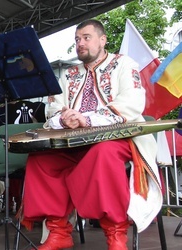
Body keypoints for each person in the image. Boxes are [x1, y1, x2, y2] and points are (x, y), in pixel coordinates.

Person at [20, 19, 162, 250]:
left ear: (103, 40)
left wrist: (87, 119)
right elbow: (53, 109)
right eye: (77, 39)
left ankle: (115, 235)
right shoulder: (68, 74)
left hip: (119, 138)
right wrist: (64, 119)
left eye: (86, 37)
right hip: (73, 142)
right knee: (41, 158)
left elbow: (133, 103)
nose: (80, 43)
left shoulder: (125, 64)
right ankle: (58, 231)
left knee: (101, 153)